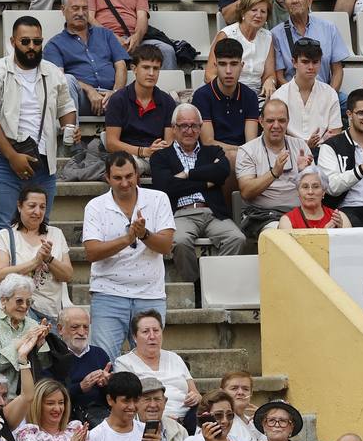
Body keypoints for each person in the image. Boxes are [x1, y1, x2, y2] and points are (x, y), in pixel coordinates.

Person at [0, 17, 78, 237]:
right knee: (5, 228)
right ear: (13, 42)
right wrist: (12, 156)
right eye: (25, 41)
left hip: (43, 159)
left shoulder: (53, 72)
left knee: (41, 227)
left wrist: (70, 127)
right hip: (3, 159)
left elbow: (66, 108)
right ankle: (7, 273)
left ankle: (36, 272)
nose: (32, 47)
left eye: (37, 41)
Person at [84, 153, 177, 358]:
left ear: (137, 174)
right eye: (117, 178)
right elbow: (91, 252)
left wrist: (143, 234)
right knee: (104, 363)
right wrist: (127, 239)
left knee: (150, 361)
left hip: (150, 294)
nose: (125, 183)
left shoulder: (158, 198)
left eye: (129, 176)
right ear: (107, 178)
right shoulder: (95, 206)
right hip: (108, 293)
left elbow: (166, 246)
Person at [153, 104, 248, 283]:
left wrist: (188, 174)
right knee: (180, 242)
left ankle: (214, 284)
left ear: (200, 128)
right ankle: (196, 285)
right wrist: (206, 181)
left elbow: (222, 172)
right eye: (183, 126)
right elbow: (166, 187)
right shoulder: (160, 156)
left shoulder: (213, 151)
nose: (189, 130)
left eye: (194, 125)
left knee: (237, 239)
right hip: (181, 214)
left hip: (213, 213)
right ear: (173, 129)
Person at [0, 186, 72, 324]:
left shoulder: (56, 234)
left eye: (42, 207)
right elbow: (0, 275)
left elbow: (67, 275)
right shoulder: (5, 236)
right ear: (19, 206)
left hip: (50, 314)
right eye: (32, 206)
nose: (37, 212)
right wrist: (35, 261)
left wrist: (49, 259)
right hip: (17, 315)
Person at [236, 99, 315, 238]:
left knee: (338, 224)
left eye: (282, 120)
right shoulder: (248, 150)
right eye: (270, 120)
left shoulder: (300, 145)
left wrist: (304, 173)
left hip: (301, 211)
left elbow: (316, 189)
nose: (276, 125)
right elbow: (246, 192)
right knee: (281, 234)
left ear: (288, 121)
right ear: (261, 121)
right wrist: (274, 173)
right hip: (263, 215)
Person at [45, 0, 129, 117]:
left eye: (84, 8)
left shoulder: (106, 34)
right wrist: (89, 90)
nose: (81, 13)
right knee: (67, 80)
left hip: (111, 97)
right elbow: (59, 79)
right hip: (81, 99)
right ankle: (72, 134)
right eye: (75, 8)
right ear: (63, 10)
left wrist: (116, 93)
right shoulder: (54, 45)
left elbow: (121, 65)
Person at [269, 0, 350, 90]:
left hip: (325, 93)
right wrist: (297, 97)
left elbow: (337, 71)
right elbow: (279, 77)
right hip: (292, 95)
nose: (294, 0)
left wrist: (330, 97)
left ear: (309, 0)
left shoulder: (329, 28)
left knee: (355, 102)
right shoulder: (276, 34)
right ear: (285, 4)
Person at [197, 34, 265, 163]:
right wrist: (240, 151)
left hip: (246, 159)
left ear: (242, 65)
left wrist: (242, 153)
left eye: (234, 64)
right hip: (212, 159)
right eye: (223, 64)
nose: (228, 71)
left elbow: (251, 141)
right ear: (215, 65)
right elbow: (208, 142)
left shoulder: (249, 96)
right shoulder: (202, 96)